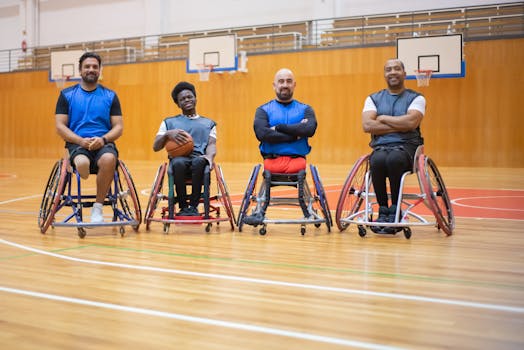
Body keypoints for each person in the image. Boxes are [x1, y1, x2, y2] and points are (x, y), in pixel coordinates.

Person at [243, 68, 317, 225]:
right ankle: (260, 211)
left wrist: (279, 127)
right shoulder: (263, 110)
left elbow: (309, 130)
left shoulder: (306, 109)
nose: (285, 85)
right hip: (272, 162)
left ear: (294, 85)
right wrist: (296, 134)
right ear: (274, 85)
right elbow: (262, 134)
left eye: (289, 81)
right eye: (281, 81)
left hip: (298, 162)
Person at [55, 52, 123, 223]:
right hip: (77, 143)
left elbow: (118, 127)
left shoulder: (110, 96)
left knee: (109, 159)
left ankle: (97, 209)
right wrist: (79, 141)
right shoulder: (66, 95)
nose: (91, 69)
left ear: (100, 70)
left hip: (103, 143)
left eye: (95, 66)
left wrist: (104, 140)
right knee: (83, 163)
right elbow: (60, 126)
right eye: (87, 66)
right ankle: (81, 167)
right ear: (80, 70)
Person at [362, 58, 426, 233]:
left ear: (404, 74)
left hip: (407, 148)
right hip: (381, 147)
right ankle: (383, 210)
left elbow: (411, 123)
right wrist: (400, 124)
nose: (392, 72)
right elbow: (367, 125)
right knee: (377, 160)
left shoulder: (417, 98)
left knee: (394, 159)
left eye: (396, 69)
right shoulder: (373, 98)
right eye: (388, 69)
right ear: (384, 75)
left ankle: (396, 210)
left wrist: (382, 118)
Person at [153, 81, 217, 217]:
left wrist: (209, 157)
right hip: (179, 161)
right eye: (182, 99)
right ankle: (183, 206)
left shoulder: (208, 123)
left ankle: (193, 206)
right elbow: (156, 146)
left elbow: (211, 144)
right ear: (178, 104)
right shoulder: (168, 123)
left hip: (199, 159)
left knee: (199, 162)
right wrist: (167, 134)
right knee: (178, 162)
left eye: (189, 96)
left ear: (195, 98)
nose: (187, 100)